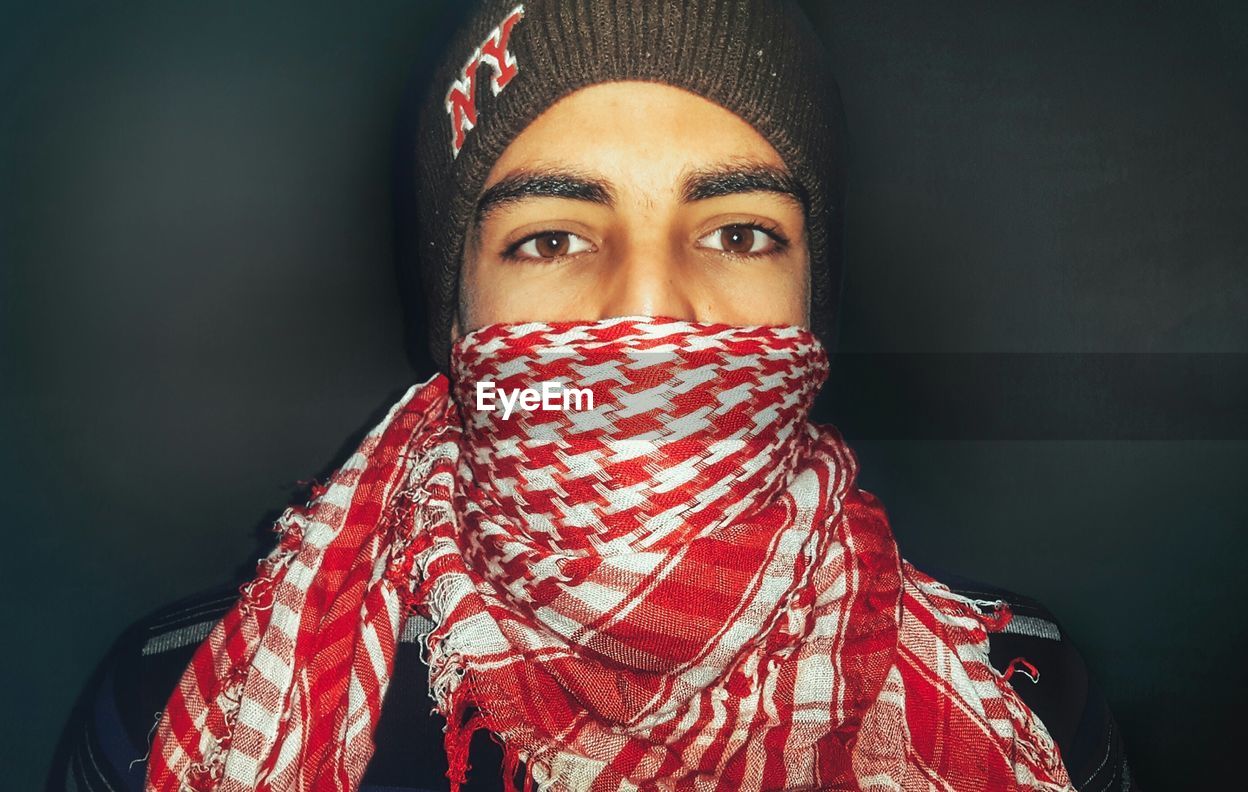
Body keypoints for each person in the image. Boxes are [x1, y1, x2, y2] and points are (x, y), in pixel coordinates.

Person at [55, 1, 1138, 790]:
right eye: (553, 239)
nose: (653, 309)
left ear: (811, 301)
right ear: (458, 319)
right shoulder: (170, 714)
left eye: (739, 232)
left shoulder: (1027, 697)